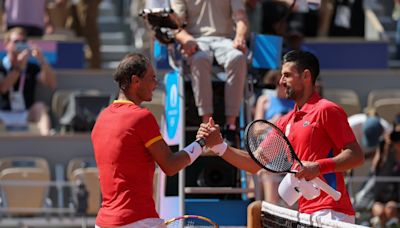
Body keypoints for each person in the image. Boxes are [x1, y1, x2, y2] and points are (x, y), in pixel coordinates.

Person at [197, 50, 364, 224]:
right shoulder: (285, 122)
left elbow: (356, 155)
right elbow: (253, 164)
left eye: (287, 75)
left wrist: (317, 167)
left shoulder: (327, 110)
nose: (281, 81)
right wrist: (219, 146)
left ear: (306, 76)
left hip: (333, 213)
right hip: (305, 213)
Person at [91, 53, 205, 228]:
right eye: (152, 78)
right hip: (136, 221)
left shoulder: (101, 119)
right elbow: (170, 165)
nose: (155, 84)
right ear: (136, 81)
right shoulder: (141, 117)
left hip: (104, 222)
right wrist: (202, 143)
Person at [170, 0, 248, 147]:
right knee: (200, 58)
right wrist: (186, 39)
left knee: (237, 57)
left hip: (225, 40)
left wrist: (240, 37)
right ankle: (207, 127)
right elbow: (176, 25)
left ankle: (231, 128)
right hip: (196, 39)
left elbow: (241, 17)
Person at [0, 27, 56, 135]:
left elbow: (51, 83)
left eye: (23, 42)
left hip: (26, 113)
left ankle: (46, 141)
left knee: (40, 108)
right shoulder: (1, 66)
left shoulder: (32, 67)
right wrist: (19, 68)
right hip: (3, 113)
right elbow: (3, 87)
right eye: (16, 42)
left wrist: (41, 59)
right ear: (6, 44)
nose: (19, 45)